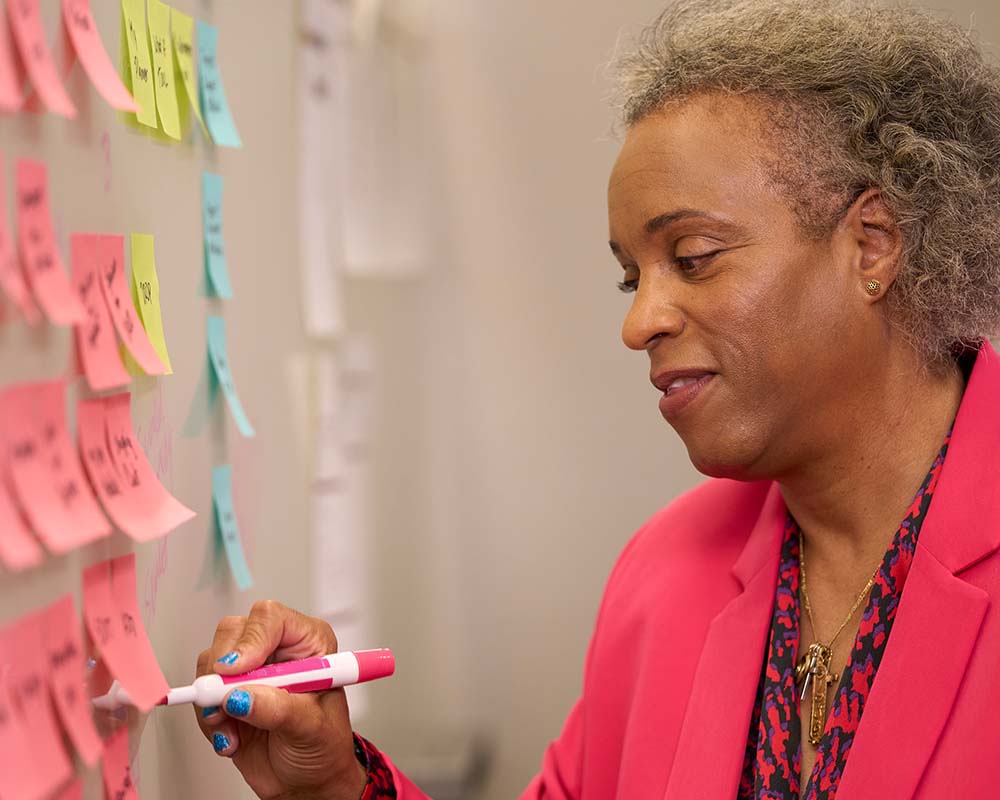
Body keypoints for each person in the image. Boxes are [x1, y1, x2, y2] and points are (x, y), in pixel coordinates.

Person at [196, 0, 1000, 797]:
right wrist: (336, 781)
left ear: (872, 245)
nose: (639, 321)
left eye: (693, 256)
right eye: (630, 275)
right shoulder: (666, 572)